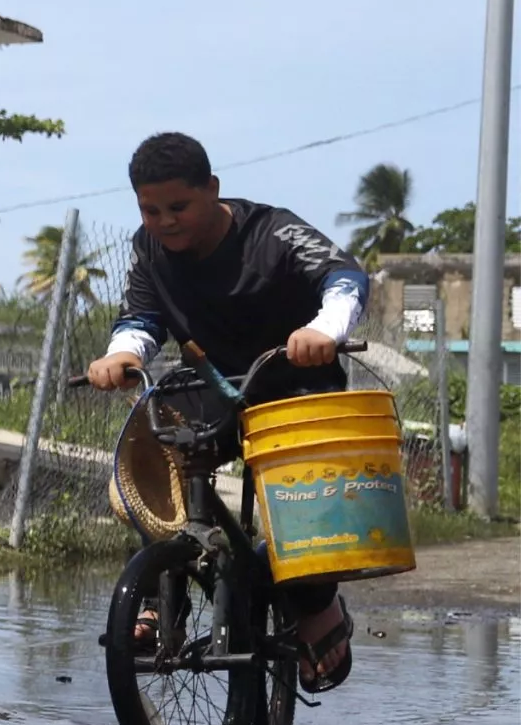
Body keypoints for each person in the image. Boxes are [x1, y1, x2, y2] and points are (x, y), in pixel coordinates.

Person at [83, 131, 368, 691]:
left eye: (178, 207)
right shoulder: (149, 249)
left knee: (303, 498)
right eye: (150, 209)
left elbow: (345, 278)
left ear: (212, 190)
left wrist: (321, 330)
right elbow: (140, 317)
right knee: (147, 460)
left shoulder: (274, 232)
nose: (164, 221)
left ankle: (317, 604)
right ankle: (169, 584)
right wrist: (121, 354)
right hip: (211, 384)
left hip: (293, 385)